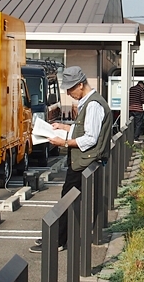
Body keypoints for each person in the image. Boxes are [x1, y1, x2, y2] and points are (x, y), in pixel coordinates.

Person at [30, 66, 112, 253]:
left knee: (67, 199)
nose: (68, 93)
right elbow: (84, 129)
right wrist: (64, 127)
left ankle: (58, 240)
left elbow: (90, 138)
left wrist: (64, 142)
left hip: (85, 160)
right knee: (68, 199)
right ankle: (61, 237)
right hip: (84, 159)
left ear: (80, 85)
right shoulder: (89, 102)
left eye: (70, 88)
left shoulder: (93, 105)